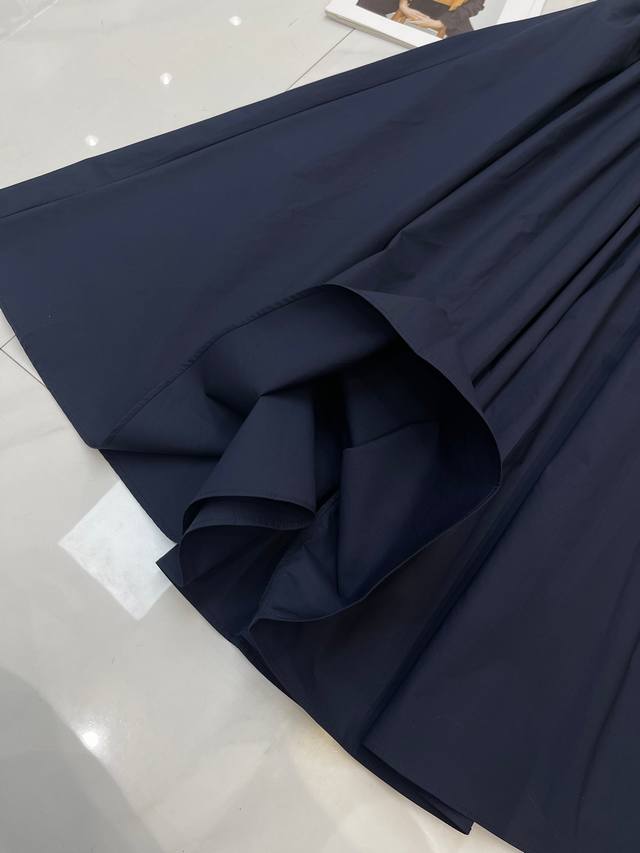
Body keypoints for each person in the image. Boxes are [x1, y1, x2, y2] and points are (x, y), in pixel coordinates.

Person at [358, 0, 485, 37]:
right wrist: (403, 5)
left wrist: (442, 23)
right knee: (366, 4)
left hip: (448, 12)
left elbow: (476, 4)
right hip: (413, 1)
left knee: (468, 43)